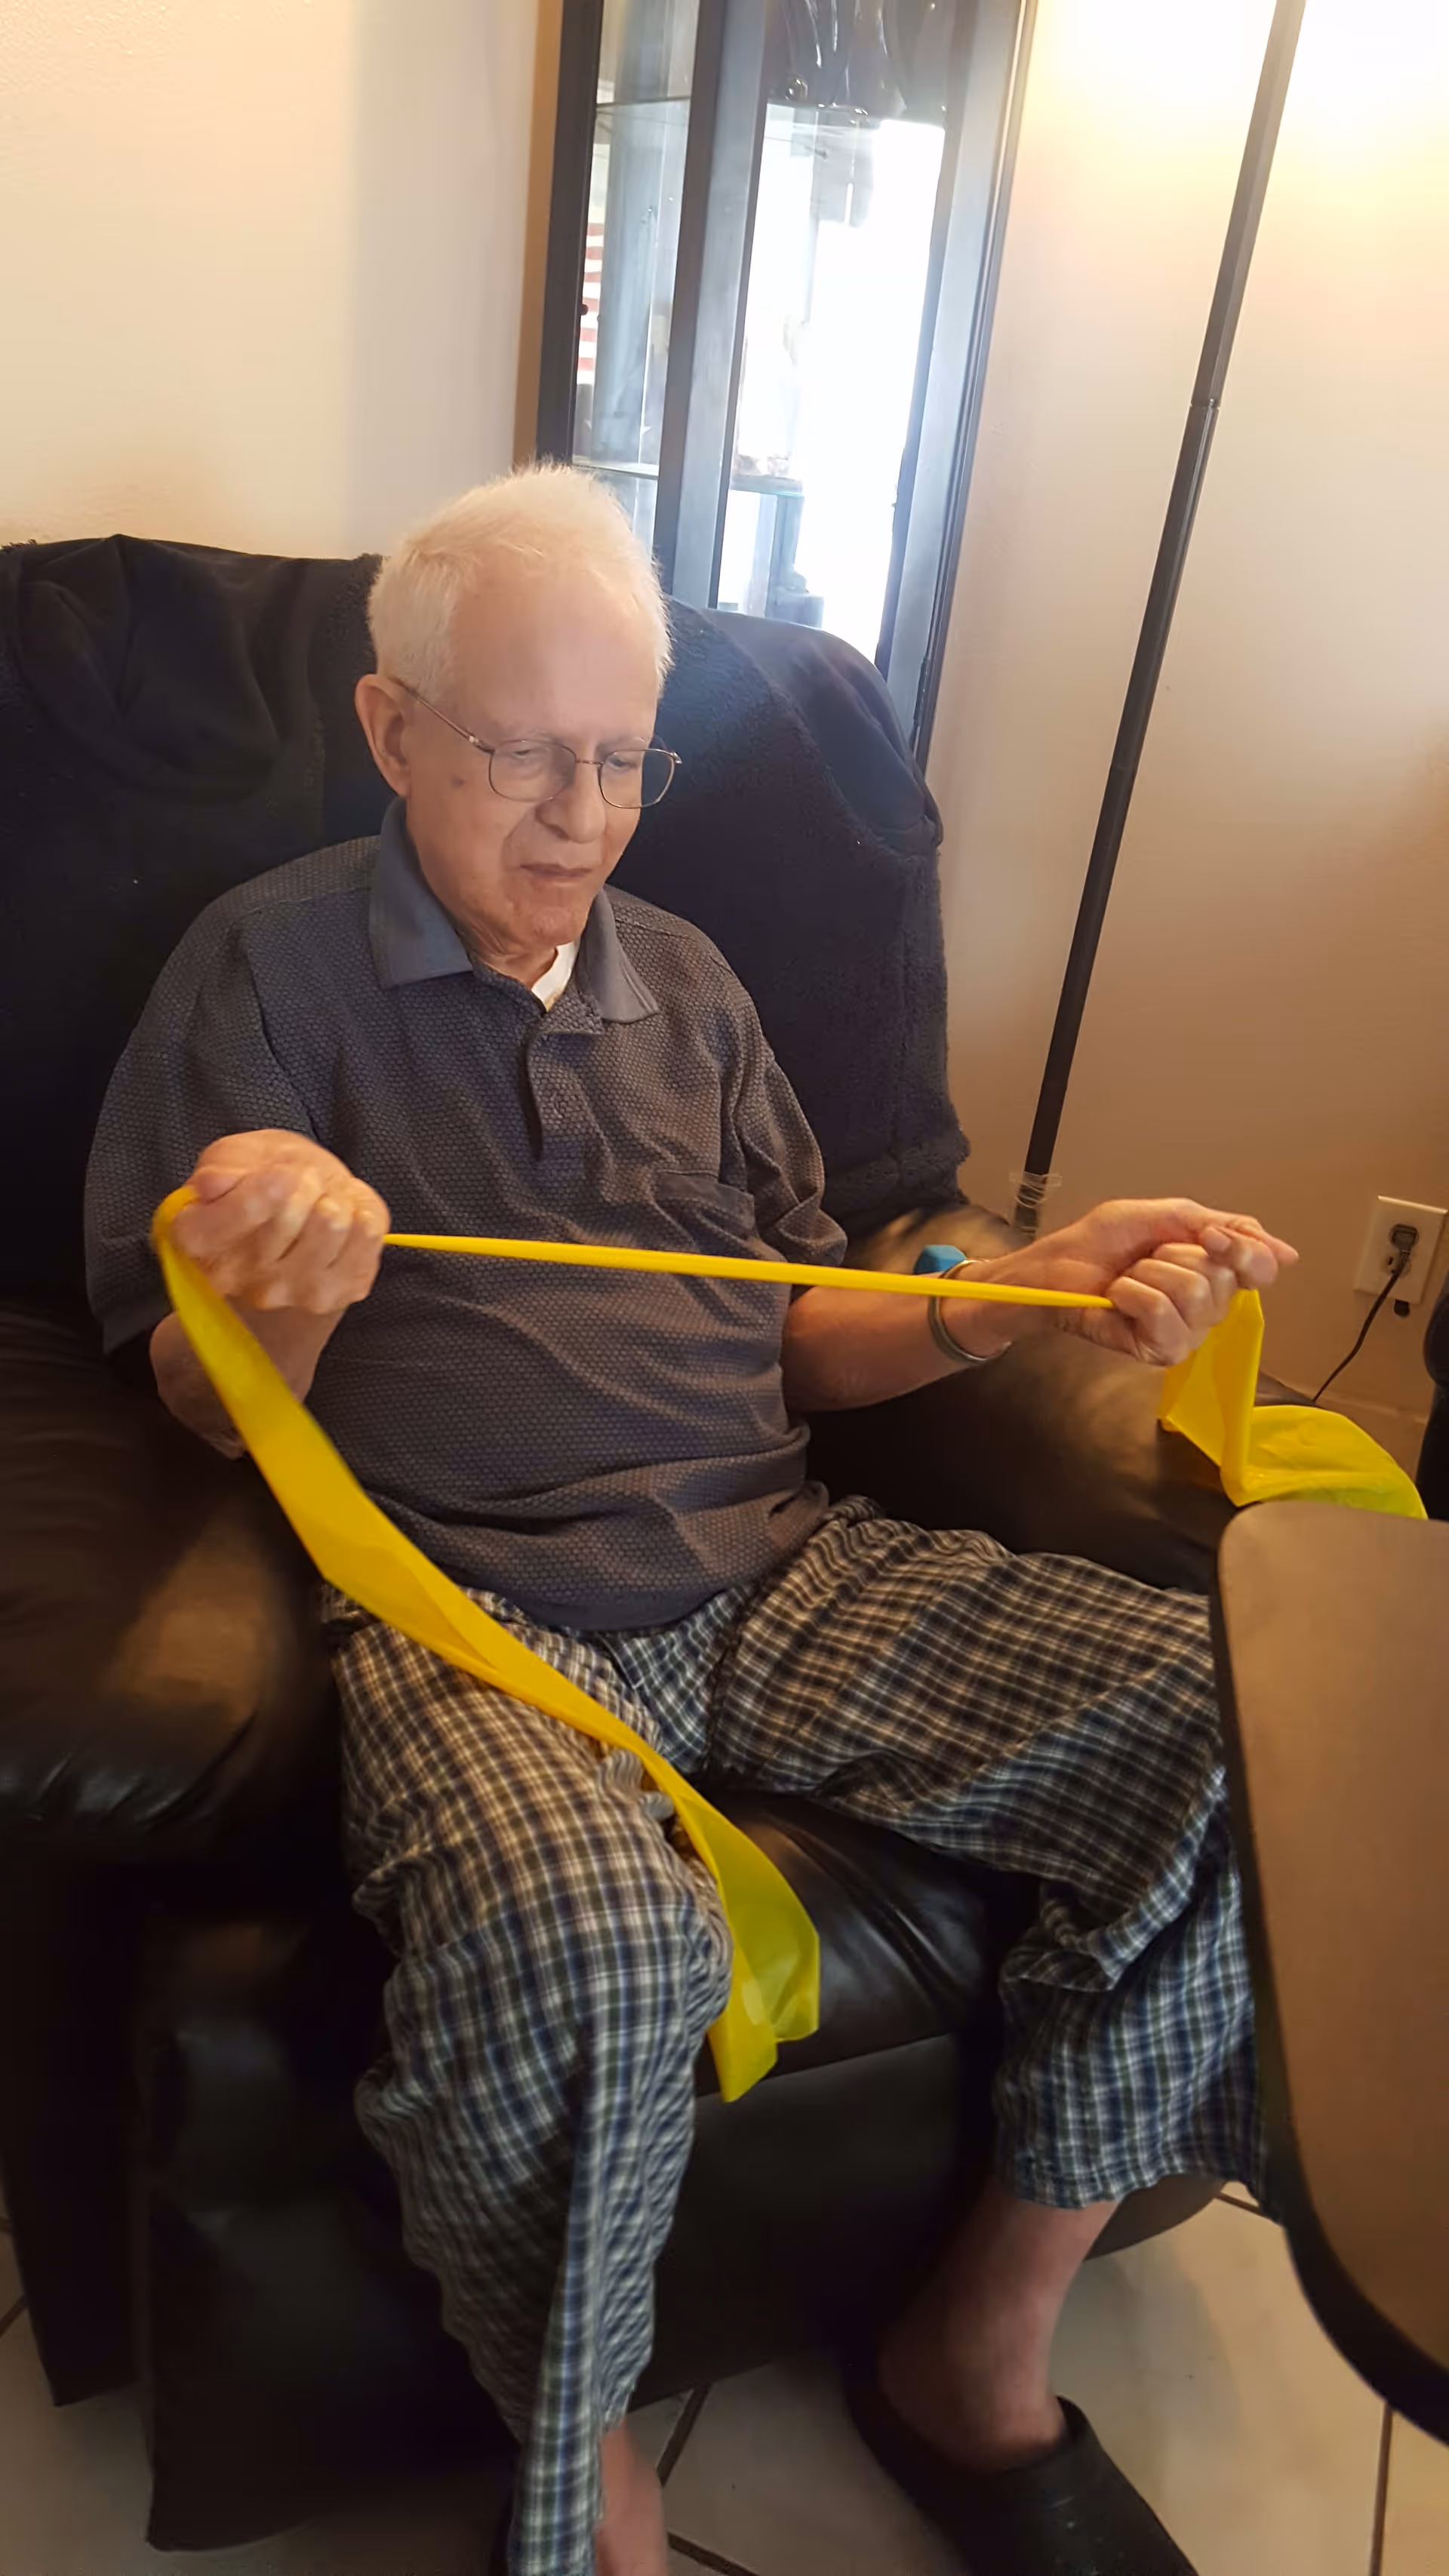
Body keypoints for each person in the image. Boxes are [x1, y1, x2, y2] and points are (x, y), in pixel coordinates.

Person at [86, 466, 1296, 2576]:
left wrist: (1019, 1287)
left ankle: (978, 2348)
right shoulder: (261, 975)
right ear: (391, 730)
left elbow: (801, 1324)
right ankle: (597, 2478)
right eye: (521, 755)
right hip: (477, 1612)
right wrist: (267, 1291)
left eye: (624, 761)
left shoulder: (695, 985)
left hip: (781, 1566)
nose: (582, 818)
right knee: (596, 1946)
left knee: (1248, 1722)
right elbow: (186, 1393)